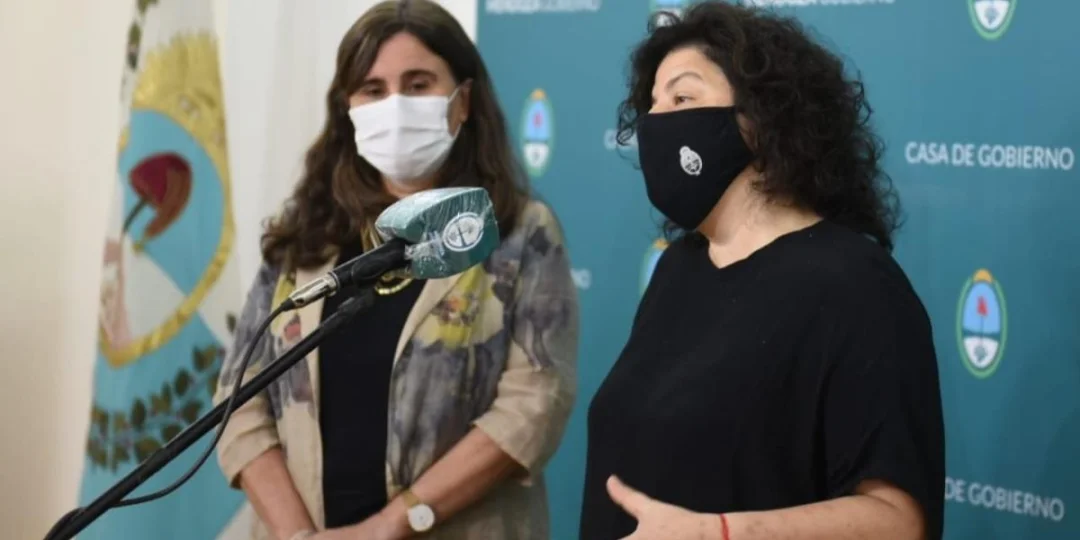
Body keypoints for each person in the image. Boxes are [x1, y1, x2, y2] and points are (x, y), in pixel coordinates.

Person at [214, 2, 579, 539]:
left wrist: (388, 527)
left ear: (463, 100)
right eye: (373, 90)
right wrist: (299, 536)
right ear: (349, 108)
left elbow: (534, 404)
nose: (396, 106)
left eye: (418, 84)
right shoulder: (306, 235)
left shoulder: (519, 232)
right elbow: (240, 405)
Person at [580, 3, 945, 540]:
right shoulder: (679, 268)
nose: (655, 123)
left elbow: (897, 521)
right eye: (651, 105)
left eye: (682, 99)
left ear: (761, 118)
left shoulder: (857, 285)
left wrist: (718, 533)